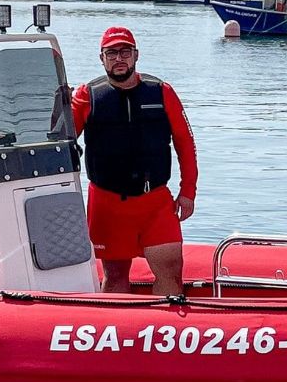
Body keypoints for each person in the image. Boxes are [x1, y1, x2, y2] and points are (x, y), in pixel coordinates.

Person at [71, 27, 197, 297]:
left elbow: (185, 144)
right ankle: (116, 334)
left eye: (125, 52)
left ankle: (166, 331)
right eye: (112, 53)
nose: (119, 59)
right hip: (107, 203)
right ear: (101, 58)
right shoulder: (86, 95)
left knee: (171, 271)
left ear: (136, 55)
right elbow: (59, 142)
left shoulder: (161, 92)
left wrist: (188, 192)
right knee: (115, 276)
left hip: (155, 202)